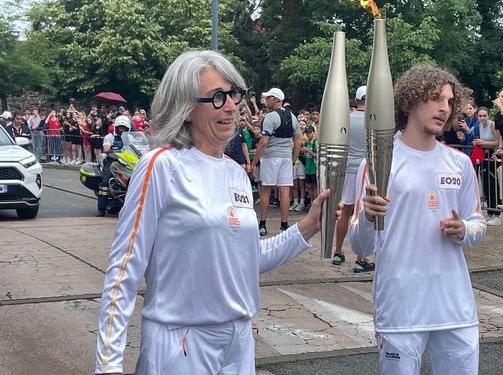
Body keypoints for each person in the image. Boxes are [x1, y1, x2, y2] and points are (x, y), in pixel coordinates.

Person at [95, 50, 330, 375]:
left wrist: (306, 227)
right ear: (186, 107)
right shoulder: (161, 166)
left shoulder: (235, 172)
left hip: (238, 343)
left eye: (233, 94)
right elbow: (124, 270)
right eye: (218, 97)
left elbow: (245, 258)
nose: (232, 106)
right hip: (181, 344)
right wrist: (107, 366)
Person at [349, 65, 486, 374]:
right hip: (401, 309)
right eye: (435, 98)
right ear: (409, 101)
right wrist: (369, 216)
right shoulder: (378, 163)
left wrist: (464, 228)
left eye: (450, 101)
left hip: (455, 308)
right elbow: (360, 244)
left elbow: (478, 224)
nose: (444, 107)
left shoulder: (459, 164)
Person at [332, 85, 376, 272]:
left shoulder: (346, 119)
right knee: (363, 212)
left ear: (357, 100)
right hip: (367, 169)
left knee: (346, 210)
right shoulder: (374, 120)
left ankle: (338, 251)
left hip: (348, 168)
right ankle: (361, 257)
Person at [251, 87, 302, 236]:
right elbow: (298, 141)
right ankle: (284, 224)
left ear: (275, 99)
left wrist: (254, 163)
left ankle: (263, 224)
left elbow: (263, 142)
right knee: (284, 191)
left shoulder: (270, 117)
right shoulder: (292, 117)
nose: (266, 101)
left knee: (266, 190)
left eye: (268, 98)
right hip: (286, 157)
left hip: (271, 157)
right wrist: (292, 159)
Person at [95, 115, 132, 217]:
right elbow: (106, 149)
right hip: (112, 161)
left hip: (126, 162)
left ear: (127, 128)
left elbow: (137, 148)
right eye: (120, 127)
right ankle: (101, 209)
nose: (122, 129)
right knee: (105, 182)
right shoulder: (109, 137)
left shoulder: (130, 137)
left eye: (124, 128)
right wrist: (112, 151)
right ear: (116, 127)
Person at [472, 107, 502, 225]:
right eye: (480, 116)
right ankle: (490, 213)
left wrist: (482, 142)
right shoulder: (478, 126)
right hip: (484, 156)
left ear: (488, 116)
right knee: (486, 184)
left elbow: (498, 141)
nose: (482, 118)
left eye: (484, 116)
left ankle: (497, 214)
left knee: (493, 184)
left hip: (492, 156)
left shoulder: (492, 125)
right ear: (477, 117)